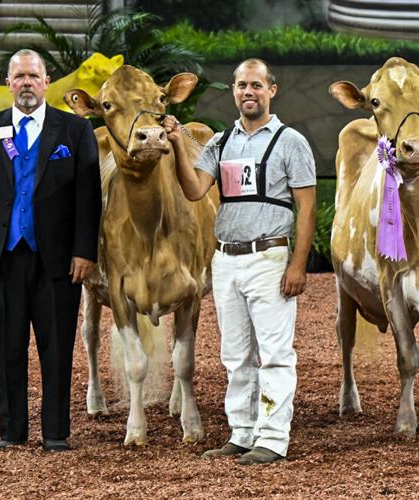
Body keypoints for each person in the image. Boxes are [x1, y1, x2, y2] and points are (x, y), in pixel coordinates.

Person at [0, 49, 101, 452]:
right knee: (8, 346)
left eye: (33, 76)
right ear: (8, 83)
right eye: (18, 77)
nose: (26, 84)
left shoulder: (74, 131)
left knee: (57, 348)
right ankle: (11, 431)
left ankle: (56, 432)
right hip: (2, 258)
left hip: (57, 261)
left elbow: (89, 199)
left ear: (47, 82)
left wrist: (84, 250)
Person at [169, 59, 315, 465]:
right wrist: (180, 144)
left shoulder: (291, 141)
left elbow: (307, 207)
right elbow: (195, 189)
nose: (247, 92)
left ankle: (272, 437)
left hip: (269, 255)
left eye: (255, 85)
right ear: (233, 91)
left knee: (274, 352)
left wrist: (298, 264)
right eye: (240, 86)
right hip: (227, 257)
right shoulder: (221, 142)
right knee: (234, 353)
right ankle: (242, 431)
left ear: (272, 89)